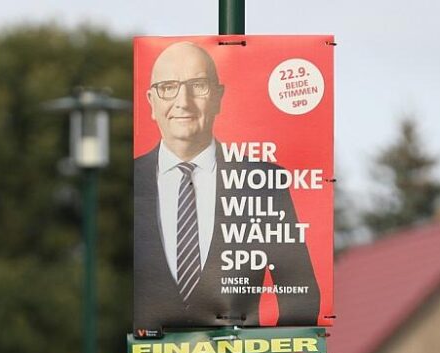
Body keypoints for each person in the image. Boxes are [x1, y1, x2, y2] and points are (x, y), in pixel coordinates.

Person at [134, 41, 319, 331]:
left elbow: (301, 295)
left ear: (218, 97)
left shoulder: (263, 183)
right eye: (168, 87)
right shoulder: (128, 181)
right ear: (151, 101)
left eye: (198, 85)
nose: (183, 101)